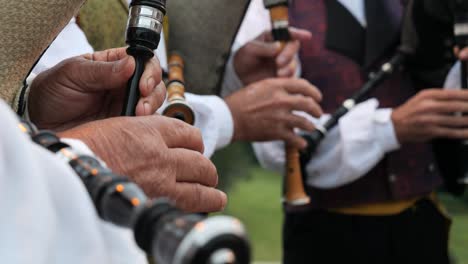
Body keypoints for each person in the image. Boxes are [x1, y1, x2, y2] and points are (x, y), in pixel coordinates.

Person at [224, 0, 463, 263]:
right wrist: (391, 127)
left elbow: (442, 84)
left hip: (423, 226)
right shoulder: (265, 8)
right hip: (328, 238)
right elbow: (276, 144)